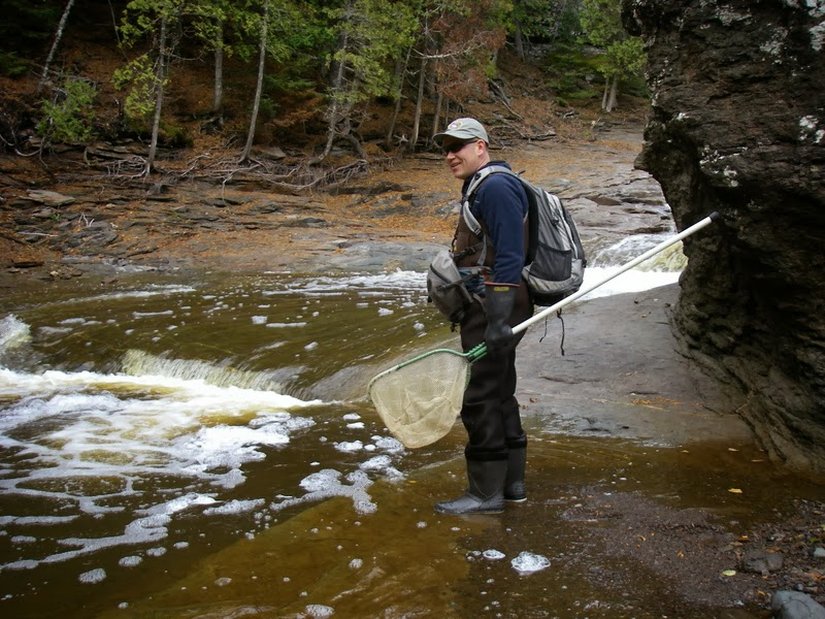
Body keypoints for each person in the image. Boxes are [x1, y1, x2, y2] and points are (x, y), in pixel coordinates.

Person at [432, 117, 534, 515]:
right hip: (491, 302)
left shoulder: (495, 187)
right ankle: (512, 486)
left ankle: (484, 493)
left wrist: (498, 318)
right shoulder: (483, 186)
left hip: (493, 302)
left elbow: (509, 254)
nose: (450, 155)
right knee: (499, 389)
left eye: (458, 146)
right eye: (446, 148)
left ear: (481, 147)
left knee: (478, 397)